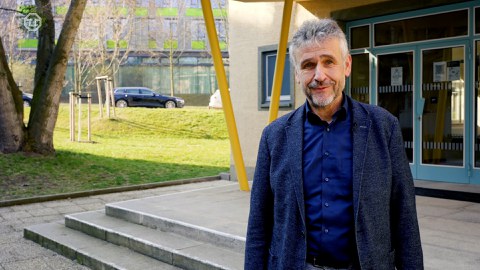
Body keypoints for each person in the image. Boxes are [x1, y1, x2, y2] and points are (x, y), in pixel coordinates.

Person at [244, 18, 423, 270]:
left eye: (329, 62)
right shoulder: (274, 136)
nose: (319, 75)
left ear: (346, 65)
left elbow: (405, 218)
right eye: (308, 65)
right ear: (296, 74)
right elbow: (259, 225)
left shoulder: (384, 128)